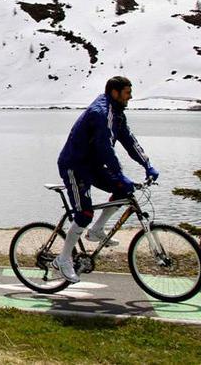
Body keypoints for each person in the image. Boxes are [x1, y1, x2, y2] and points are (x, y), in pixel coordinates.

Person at [52, 76, 160, 283]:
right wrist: (119, 174)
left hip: (93, 166)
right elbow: (105, 149)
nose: (130, 97)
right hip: (74, 166)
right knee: (84, 213)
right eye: (127, 93)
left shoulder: (117, 113)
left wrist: (147, 164)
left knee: (124, 190)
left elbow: (129, 141)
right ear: (114, 92)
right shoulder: (100, 113)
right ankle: (63, 260)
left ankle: (96, 230)